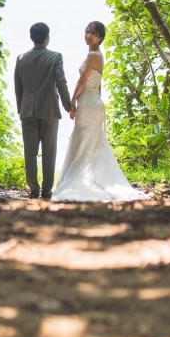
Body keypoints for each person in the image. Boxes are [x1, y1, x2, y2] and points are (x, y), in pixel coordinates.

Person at [51, 21, 146, 203]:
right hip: (92, 101)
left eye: (92, 33)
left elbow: (82, 81)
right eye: (86, 32)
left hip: (87, 103)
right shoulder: (96, 55)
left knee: (85, 141)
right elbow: (99, 83)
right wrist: (96, 100)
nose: (88, 36)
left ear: (100, 37)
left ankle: (84, 183)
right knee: (88, 142)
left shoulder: (94, 55)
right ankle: (90, 180)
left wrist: (71, 102)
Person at [14, 22, 72, 200]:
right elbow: (61, 82)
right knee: (49, 151)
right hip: (49, 110)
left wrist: (21, 108)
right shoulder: (55, 57)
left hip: (28, 110)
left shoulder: (21, 58)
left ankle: (33, 189)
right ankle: (47, 190)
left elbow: (18, 87)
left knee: (30, 152)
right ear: (47, 38)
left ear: (31, 38)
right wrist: (68, 105)